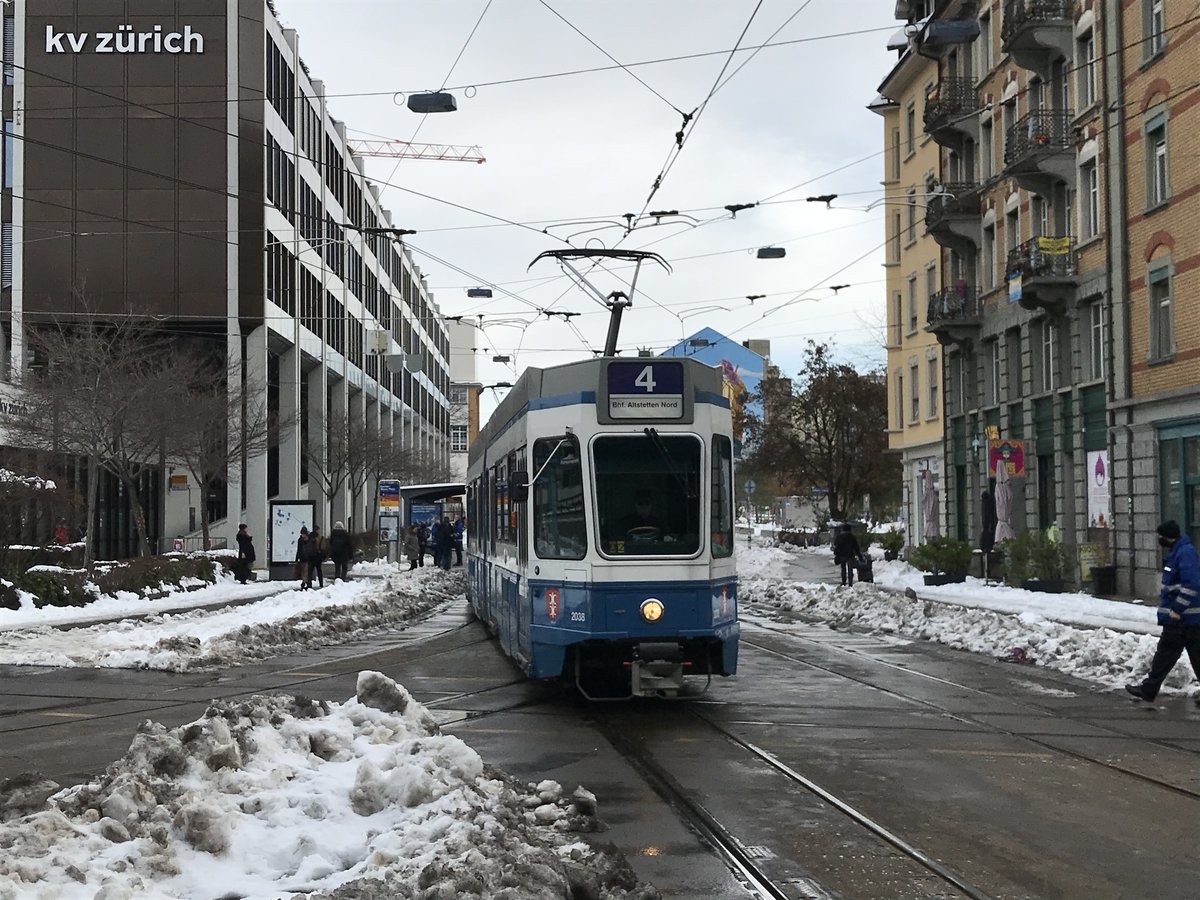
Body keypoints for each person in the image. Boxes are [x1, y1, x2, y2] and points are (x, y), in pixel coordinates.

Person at [1126, 520, 1200, 702]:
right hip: (1187, 619)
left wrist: (1177, 609)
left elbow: (1192, 584)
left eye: (1160, 537)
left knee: (1165, 655)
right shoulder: (1180, 551)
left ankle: (1148, 690)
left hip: (1182, 619)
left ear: (1168, 537)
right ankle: (1149, 689)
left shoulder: (1184, 553)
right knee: (1193, 656)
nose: (1159, 540)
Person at [832, 523, 861, 587]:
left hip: (842, 555)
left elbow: (836, 546)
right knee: (850, 569)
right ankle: (850, 583)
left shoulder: (839, 537)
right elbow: (856, 548)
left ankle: (843, 582)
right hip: (850, 555)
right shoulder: (852, 537)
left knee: (843, 569)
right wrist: (860, 556)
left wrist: (836, 554)